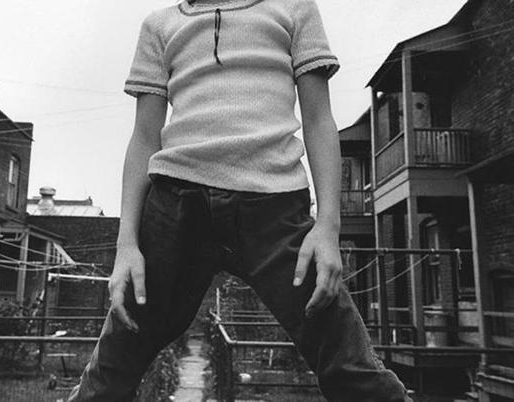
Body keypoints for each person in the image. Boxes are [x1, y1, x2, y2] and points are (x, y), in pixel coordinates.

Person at [69, 0, 412, 400]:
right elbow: (145, 136)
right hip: (176, 204)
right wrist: (126, 244)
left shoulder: (293, 9)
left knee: (348, 363)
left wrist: (328, 227)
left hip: (273, 205)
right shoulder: (159, 26)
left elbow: (319, 118)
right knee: (113, 365)